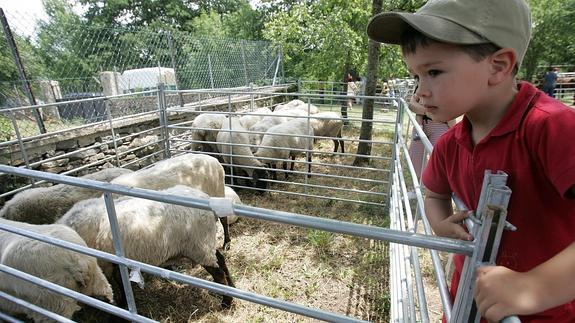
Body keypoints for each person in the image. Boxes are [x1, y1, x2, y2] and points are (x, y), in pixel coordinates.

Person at [367, 0, 575, 322]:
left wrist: (533, 287)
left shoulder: (552, 129)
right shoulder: (451, 143)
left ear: (498, 66)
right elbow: (434, 193)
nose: (420, 91)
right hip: (466, 302)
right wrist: (438, 222)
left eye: (433, 72)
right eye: (416, 76)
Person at [408, 84, 456, 183]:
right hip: (421, 125)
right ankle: (418, 187)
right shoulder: (421, 84)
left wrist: (455, 132)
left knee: (441, 158)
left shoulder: (444, 86)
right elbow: (412, 105)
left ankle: (438, 189)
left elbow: (447, 111)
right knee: (416, 156)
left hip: (440, 124)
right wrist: (429, 112)